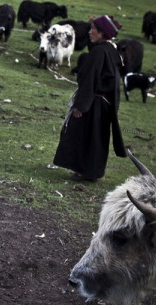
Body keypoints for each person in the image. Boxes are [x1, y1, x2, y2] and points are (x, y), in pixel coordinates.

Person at [53, 15, 127, 181]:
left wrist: (80, 106)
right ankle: (90, 171)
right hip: (103, 103)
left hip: (94, 102)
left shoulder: (99, 52)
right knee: (96, 137)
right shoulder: (109, 50)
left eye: (93, 29)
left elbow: (91, 79)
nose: (90, 32)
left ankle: (86, 171)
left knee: (84, 135)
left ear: (101, 33)